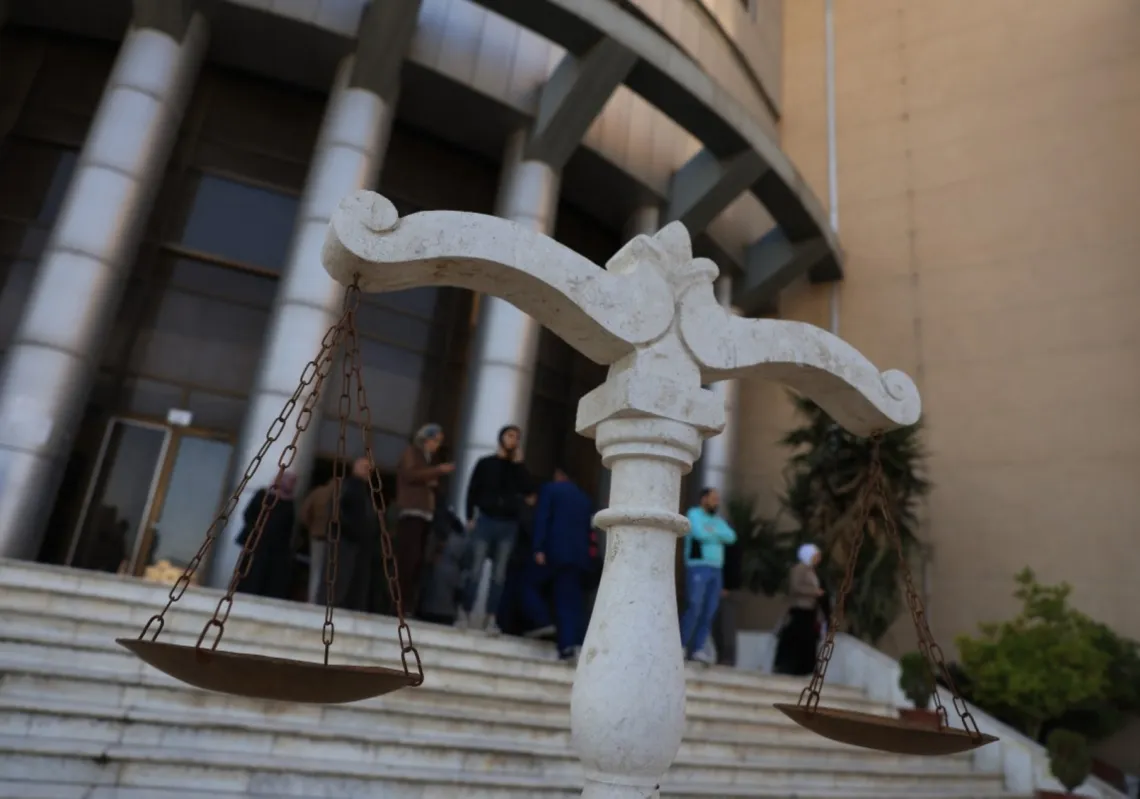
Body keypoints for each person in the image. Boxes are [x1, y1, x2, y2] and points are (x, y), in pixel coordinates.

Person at [456, 424, 532, 634]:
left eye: (516, 437)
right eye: (510, 436)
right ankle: (465, 612)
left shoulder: (517, 468)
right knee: (475, 570)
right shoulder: (486, 463)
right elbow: (473, 488)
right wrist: (470, 515)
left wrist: (520, 465)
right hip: (486, 520)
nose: (513, 440)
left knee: (499, 575)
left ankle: (490, 618)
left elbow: (528, 491)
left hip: (508, 525)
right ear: (501, 438)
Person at [522, 467, 594, 662]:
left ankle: (543, 620)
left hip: (554, 552)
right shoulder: (584, 499)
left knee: (526, 586)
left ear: (559, 475)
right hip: (577, 557)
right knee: (569, 602)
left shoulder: (550, 490)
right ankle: (568, 647)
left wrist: (538, 548)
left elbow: (542, 518)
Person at [394, 423, 456, 614]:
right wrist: (437, 471)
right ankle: (399, 604)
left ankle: (409, 604)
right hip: (412, 510)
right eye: (435, 440)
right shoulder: (412, 452)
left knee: (419, 561)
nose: (436, 445)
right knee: (408, 559)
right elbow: (410, 474)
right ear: (426, 439)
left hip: (425, 513)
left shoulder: (429, 459)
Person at [679, 487, 737, 664]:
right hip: (698, 566)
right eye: (713, 498)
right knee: (695, 606)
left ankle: (697, 649)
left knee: (709, 610)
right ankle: (680, 646)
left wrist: (712, 532)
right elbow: (699, 533)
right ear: (703, 499)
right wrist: (716, 534)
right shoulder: (693, 513)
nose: (716, 502)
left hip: (716, 569)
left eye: (717, 499)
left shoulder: (717, 520)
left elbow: (731, 537)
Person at [323, 457, 380, 612]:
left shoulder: (364, 491)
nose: (367, 471)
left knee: (355, 581)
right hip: (346, 541)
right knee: (341, 578)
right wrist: (353, 530)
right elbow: (337, 512)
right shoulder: (348, 487)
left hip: (359, 544)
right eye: (363, 467)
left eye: (369, 468)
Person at [235, 471, 298, 600]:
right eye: (290, 481)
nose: (292, 484)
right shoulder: (263, 495)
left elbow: (288, 527)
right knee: (251, 572)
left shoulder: (289, 502)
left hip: (275, 548)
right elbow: (249, 514)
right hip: (256, 543)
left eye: (294, 482)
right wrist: (257, 531)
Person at [773, 542, 826, 676]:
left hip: (809, 609)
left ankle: (804, 669)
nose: (818, 558)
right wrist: (814, 592)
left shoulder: (811, 570)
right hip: (799, 608)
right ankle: (788, 666)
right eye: (816, 555)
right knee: (796, 638)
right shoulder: (799, 569)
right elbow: (795, 587)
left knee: (808, 640)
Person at [712, 528, 743, 666]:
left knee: (726, 627)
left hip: (728, 592)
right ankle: (721, 657)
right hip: (720, 590)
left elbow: (733, 568)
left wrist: (727, 587)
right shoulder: (717, 547)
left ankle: (727, 659)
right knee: (717, 627)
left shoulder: (731, 546)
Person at [299, 478, 333, 603]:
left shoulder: (318, 493)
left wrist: (312, 527)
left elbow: (304, 513)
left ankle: (312, 599)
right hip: (336, 539)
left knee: (316, 569)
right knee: (331, 571)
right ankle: (326, 599)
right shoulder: (341, 495)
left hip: (317, 535)